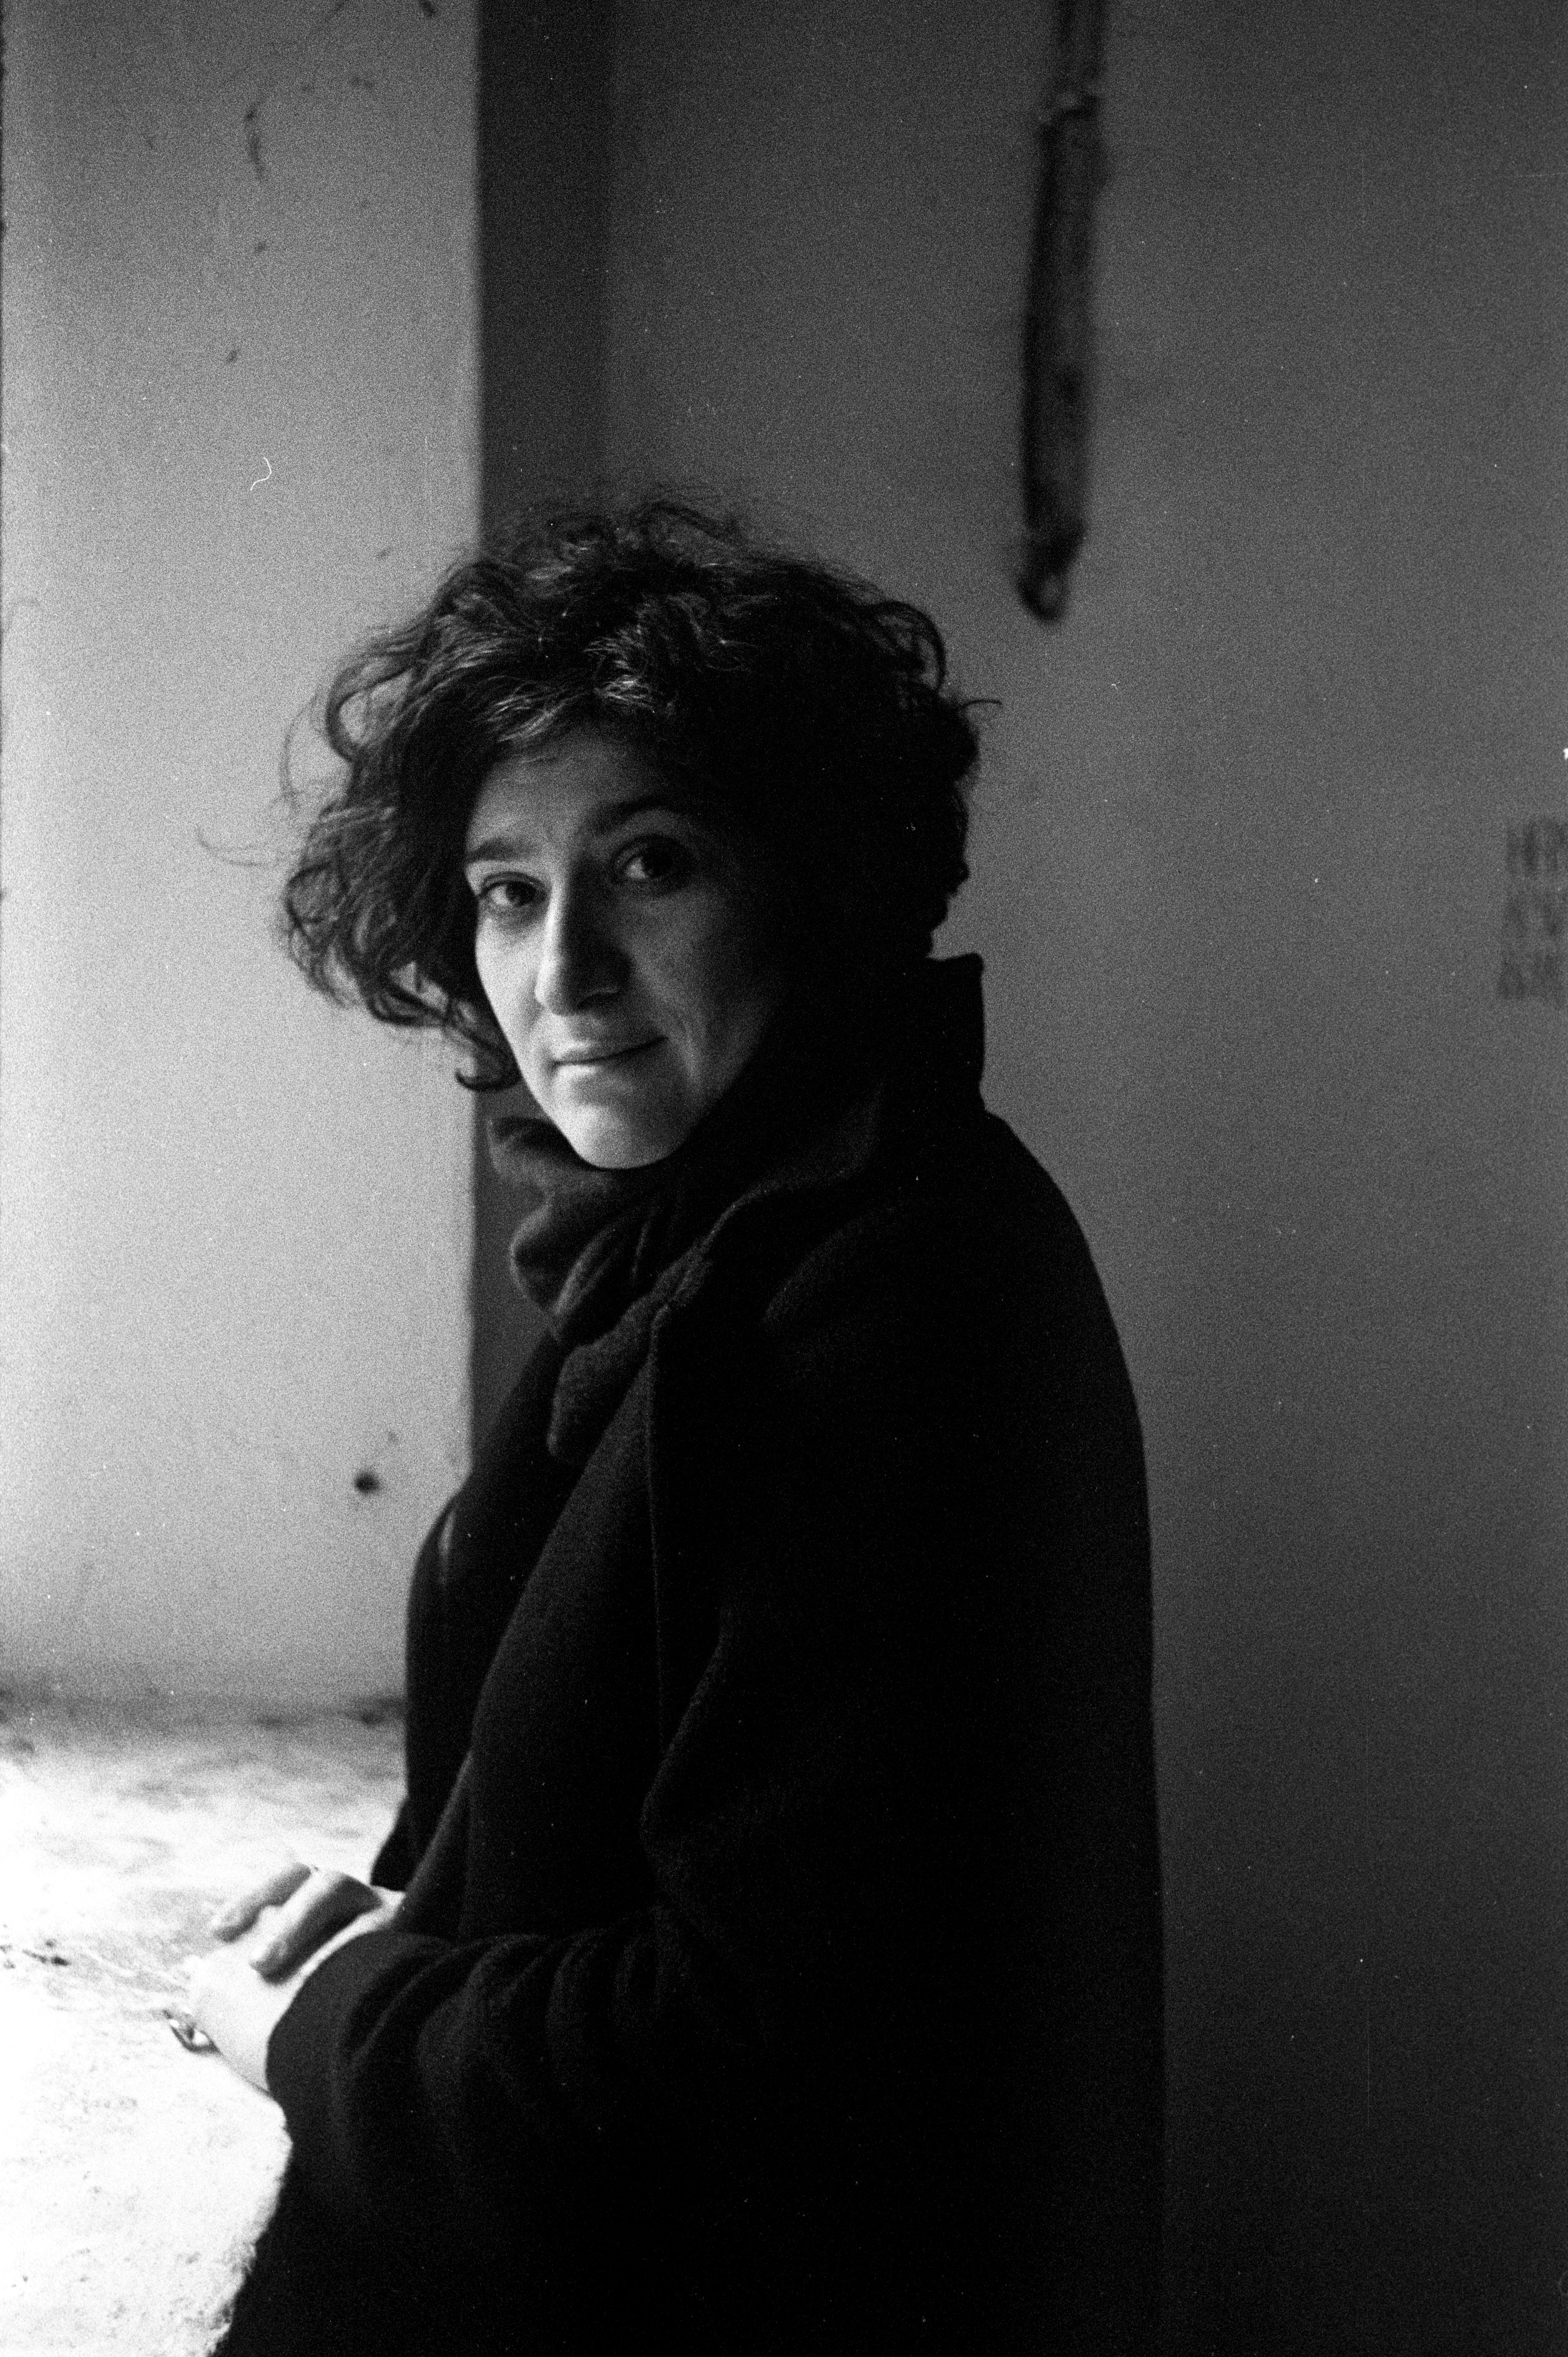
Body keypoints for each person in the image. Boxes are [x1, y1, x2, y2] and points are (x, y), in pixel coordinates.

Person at [187, 501, 1162, 2353]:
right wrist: (405, 1925)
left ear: (807, 886)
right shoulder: (707, 1231)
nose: (563, 972)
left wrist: (330, 2026)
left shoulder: (878, 1303)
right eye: (507, 890)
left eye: (649, 865)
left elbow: (748, 2070)